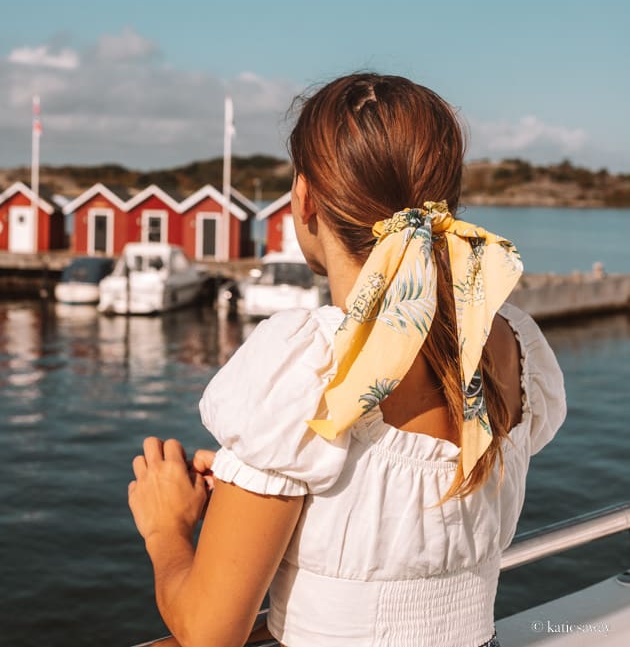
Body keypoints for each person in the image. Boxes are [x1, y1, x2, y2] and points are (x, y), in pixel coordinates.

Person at [128, 72, 566, 647]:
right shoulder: (510, 340)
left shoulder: (306, 364)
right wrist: (252, 478)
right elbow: (389, 509)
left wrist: (167, 530)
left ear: (304, 198)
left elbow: (211, 632)